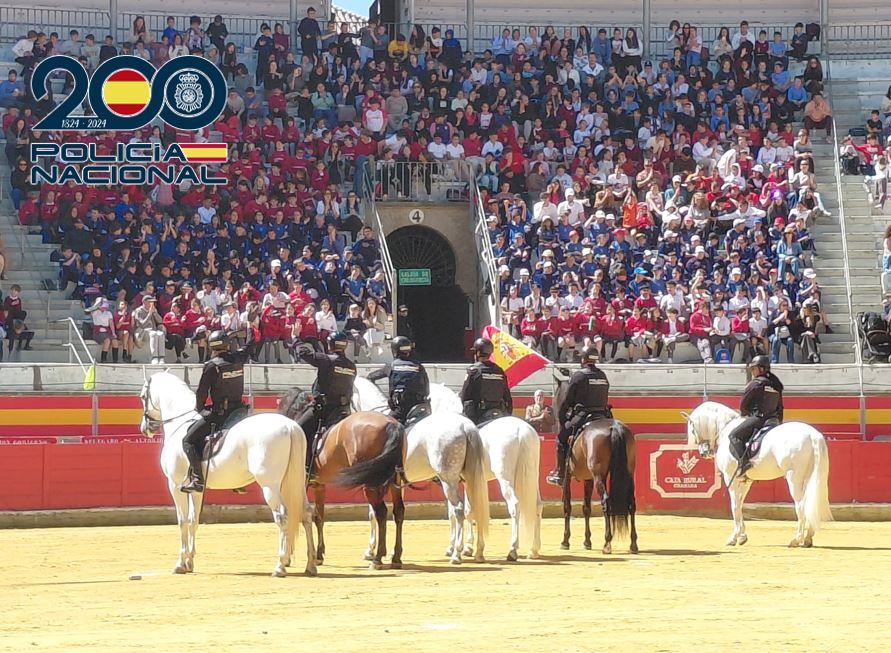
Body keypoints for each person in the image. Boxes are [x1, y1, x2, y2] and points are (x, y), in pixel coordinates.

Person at [181, 331, 250, 492]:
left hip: (221, 415)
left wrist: (200, 409)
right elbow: (249, 345)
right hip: (239, 413)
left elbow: (202, 392)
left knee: (188, 440)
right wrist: (249, 328)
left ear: (212, 347)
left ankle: (198, 479)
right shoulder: (240, 358)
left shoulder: (213, 366)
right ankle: (239, 483)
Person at [295, 331, 357, 480]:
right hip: (342, 410)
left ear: (329, 345)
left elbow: (303, 353)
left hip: (323, 410)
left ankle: (306, 468)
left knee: (298, 430)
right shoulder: (351, 366)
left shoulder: (327, 360)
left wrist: (295, 338)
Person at [547, 346, 611, 486]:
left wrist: (563, 420)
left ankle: (560, 472)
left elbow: (567, 401)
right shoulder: (602, 375)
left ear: (583, 359)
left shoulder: (579, 375)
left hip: (584, 415)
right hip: (602, 415)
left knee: (560, 439)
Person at [727, 355, 784, 476]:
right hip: (773, 421)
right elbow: (780, 408)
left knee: (733, 436)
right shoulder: (776, 385)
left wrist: (745, 413)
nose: (752, 371)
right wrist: (779, 422)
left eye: (754, 368)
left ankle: (744, 463)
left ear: (762, 369)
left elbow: (743, 405)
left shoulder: (756, 384)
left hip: (759, 419)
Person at [367, 336, 430, 425]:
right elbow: (426, 390)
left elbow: (370, 377)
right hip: (418, 409)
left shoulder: (391, 366)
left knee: (386, 429)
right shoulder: (419, 367)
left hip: (400, 410)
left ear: (394, 351)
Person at [459, 337, 512, 425]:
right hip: (499, 413)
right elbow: (507, 396)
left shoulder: (473, 370)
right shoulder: (500, 370)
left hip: (479, 416)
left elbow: (465, 395)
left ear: (478, 353)